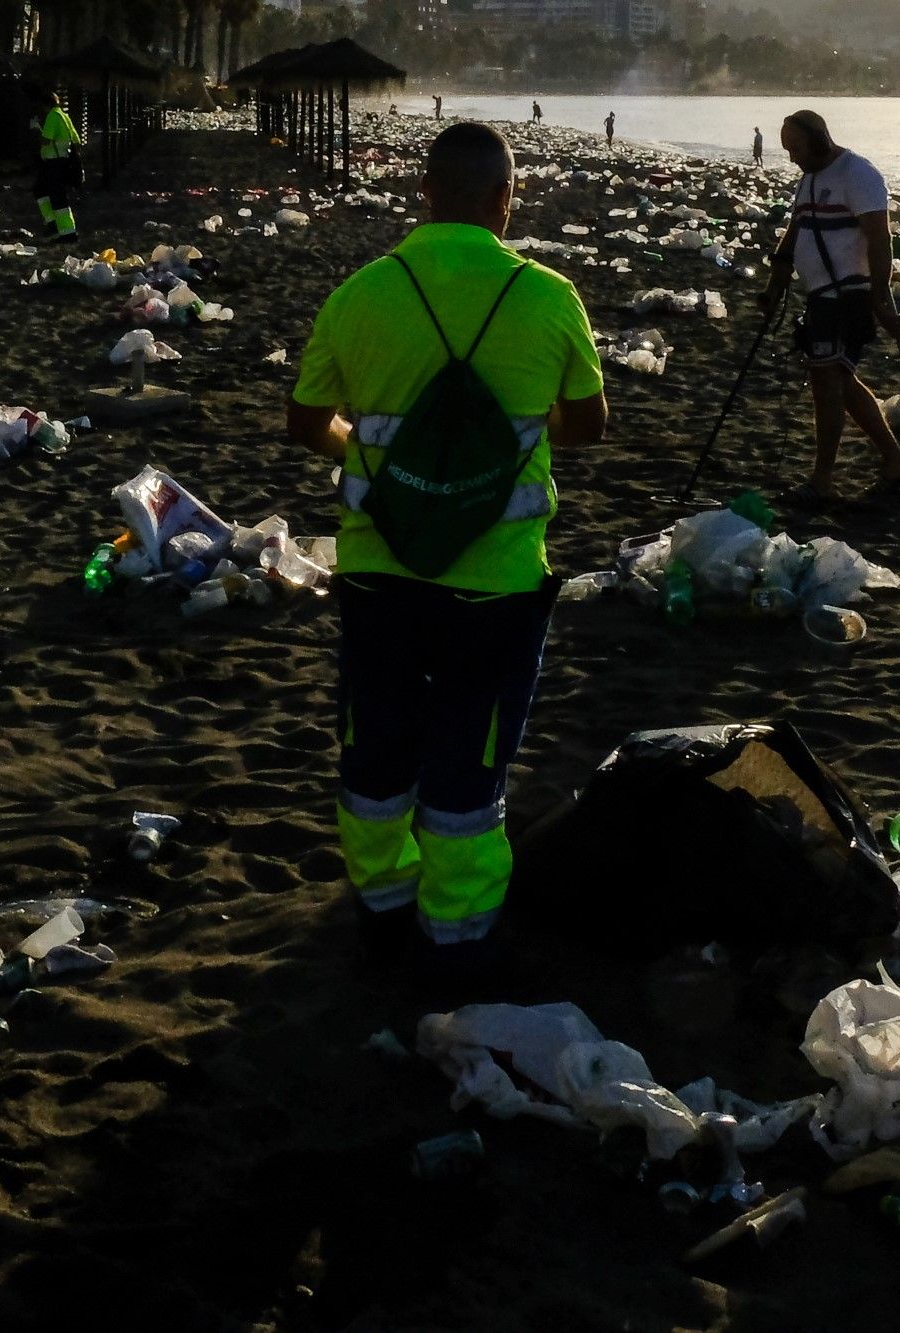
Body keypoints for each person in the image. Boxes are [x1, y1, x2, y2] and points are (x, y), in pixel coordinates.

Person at [287, 123, 608, 973]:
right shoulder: (548, 297)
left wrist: (391, 461)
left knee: (376, 737)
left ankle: (382, 902)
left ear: (422, 193)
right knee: (474, 747)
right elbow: (588, 424)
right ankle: (457, 931)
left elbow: (304, 423)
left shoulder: (360, 294)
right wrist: (494, 445)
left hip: (378, 569)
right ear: (508, 198)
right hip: (497, 582)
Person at [759, 110, 900, 507]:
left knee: (826, 383)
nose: (792, 158)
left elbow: (879, 241)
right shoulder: (809, 181)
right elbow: (795, 233)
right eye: (787, 150)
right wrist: (773, 289)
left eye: (796, 148)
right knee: (839, 381)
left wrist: (879, 298)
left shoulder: (859, 175)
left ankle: (822, 481)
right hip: (821, 297)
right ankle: (894, 461)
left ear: (818, 140)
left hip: (848, 296)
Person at [30, 91, 83, 243]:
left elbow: (46, 140)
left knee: (57, 197)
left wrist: (36, 129)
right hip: (62, 161)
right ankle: (53, 223)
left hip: (54, 163)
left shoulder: (52, 117)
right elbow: (76, 140)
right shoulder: (64, 116)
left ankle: (67, 232)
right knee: (40, 189)